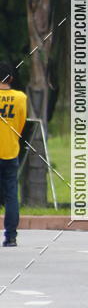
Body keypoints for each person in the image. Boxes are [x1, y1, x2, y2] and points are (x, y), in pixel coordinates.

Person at [0, 63, 27, 247]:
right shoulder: (20, 98)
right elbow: (21, 124)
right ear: (11, 79)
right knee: (11, 195)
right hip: (10, 152)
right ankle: (11, 236)